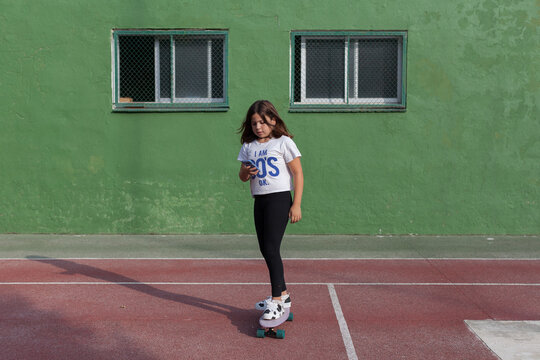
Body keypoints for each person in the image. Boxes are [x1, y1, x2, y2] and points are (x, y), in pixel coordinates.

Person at [237, 100, 304, 320]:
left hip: (279, 199)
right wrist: (247, 171)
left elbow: (297, 173)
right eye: (254, 123)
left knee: (271, 248)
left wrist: (296, 204)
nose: (258, 127)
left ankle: (276, 301)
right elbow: (242, 176)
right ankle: (283, 295)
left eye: (263, 122)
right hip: (260, 200)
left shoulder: (283, 142)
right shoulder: (248, 146)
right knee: (265, 249)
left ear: (273, 121)